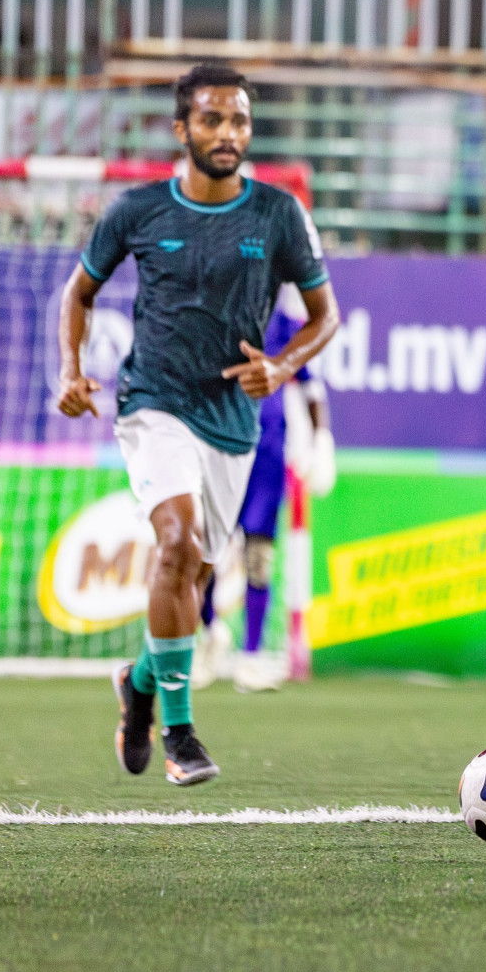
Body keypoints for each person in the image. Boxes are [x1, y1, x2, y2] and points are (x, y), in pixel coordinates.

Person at [56, 63, 340, 786]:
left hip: (232, 423)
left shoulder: (277, 215)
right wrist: (71, 369)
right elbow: (79, 292)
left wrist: (280, 368)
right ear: (182, 130)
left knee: (195, 576)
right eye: (212, 119)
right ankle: (180, 735)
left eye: (239, 120)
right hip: (152, 403)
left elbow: (324, 316)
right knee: (176, 544)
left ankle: (141, 686)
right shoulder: (138, 210)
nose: (227, 132)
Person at [191, 286, 335, 694]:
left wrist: (321, 439)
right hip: (219, 447)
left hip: (267, 455)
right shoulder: (213, 315)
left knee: (259, 554)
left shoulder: (284, 323)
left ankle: (250, 658)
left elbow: (311, 386)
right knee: (206, 551)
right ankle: (209, 632)